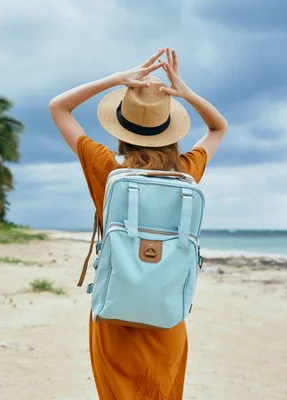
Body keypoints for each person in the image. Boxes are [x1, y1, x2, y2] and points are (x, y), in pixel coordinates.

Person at [48, 48, 228, 399]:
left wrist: (117, 79)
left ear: (120, 125)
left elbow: (59, 106)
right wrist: (185, 92)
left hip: (115, 310)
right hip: (166, 314)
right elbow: (218, 127)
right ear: (171, 129)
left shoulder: (107, 167)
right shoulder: (185, 172)